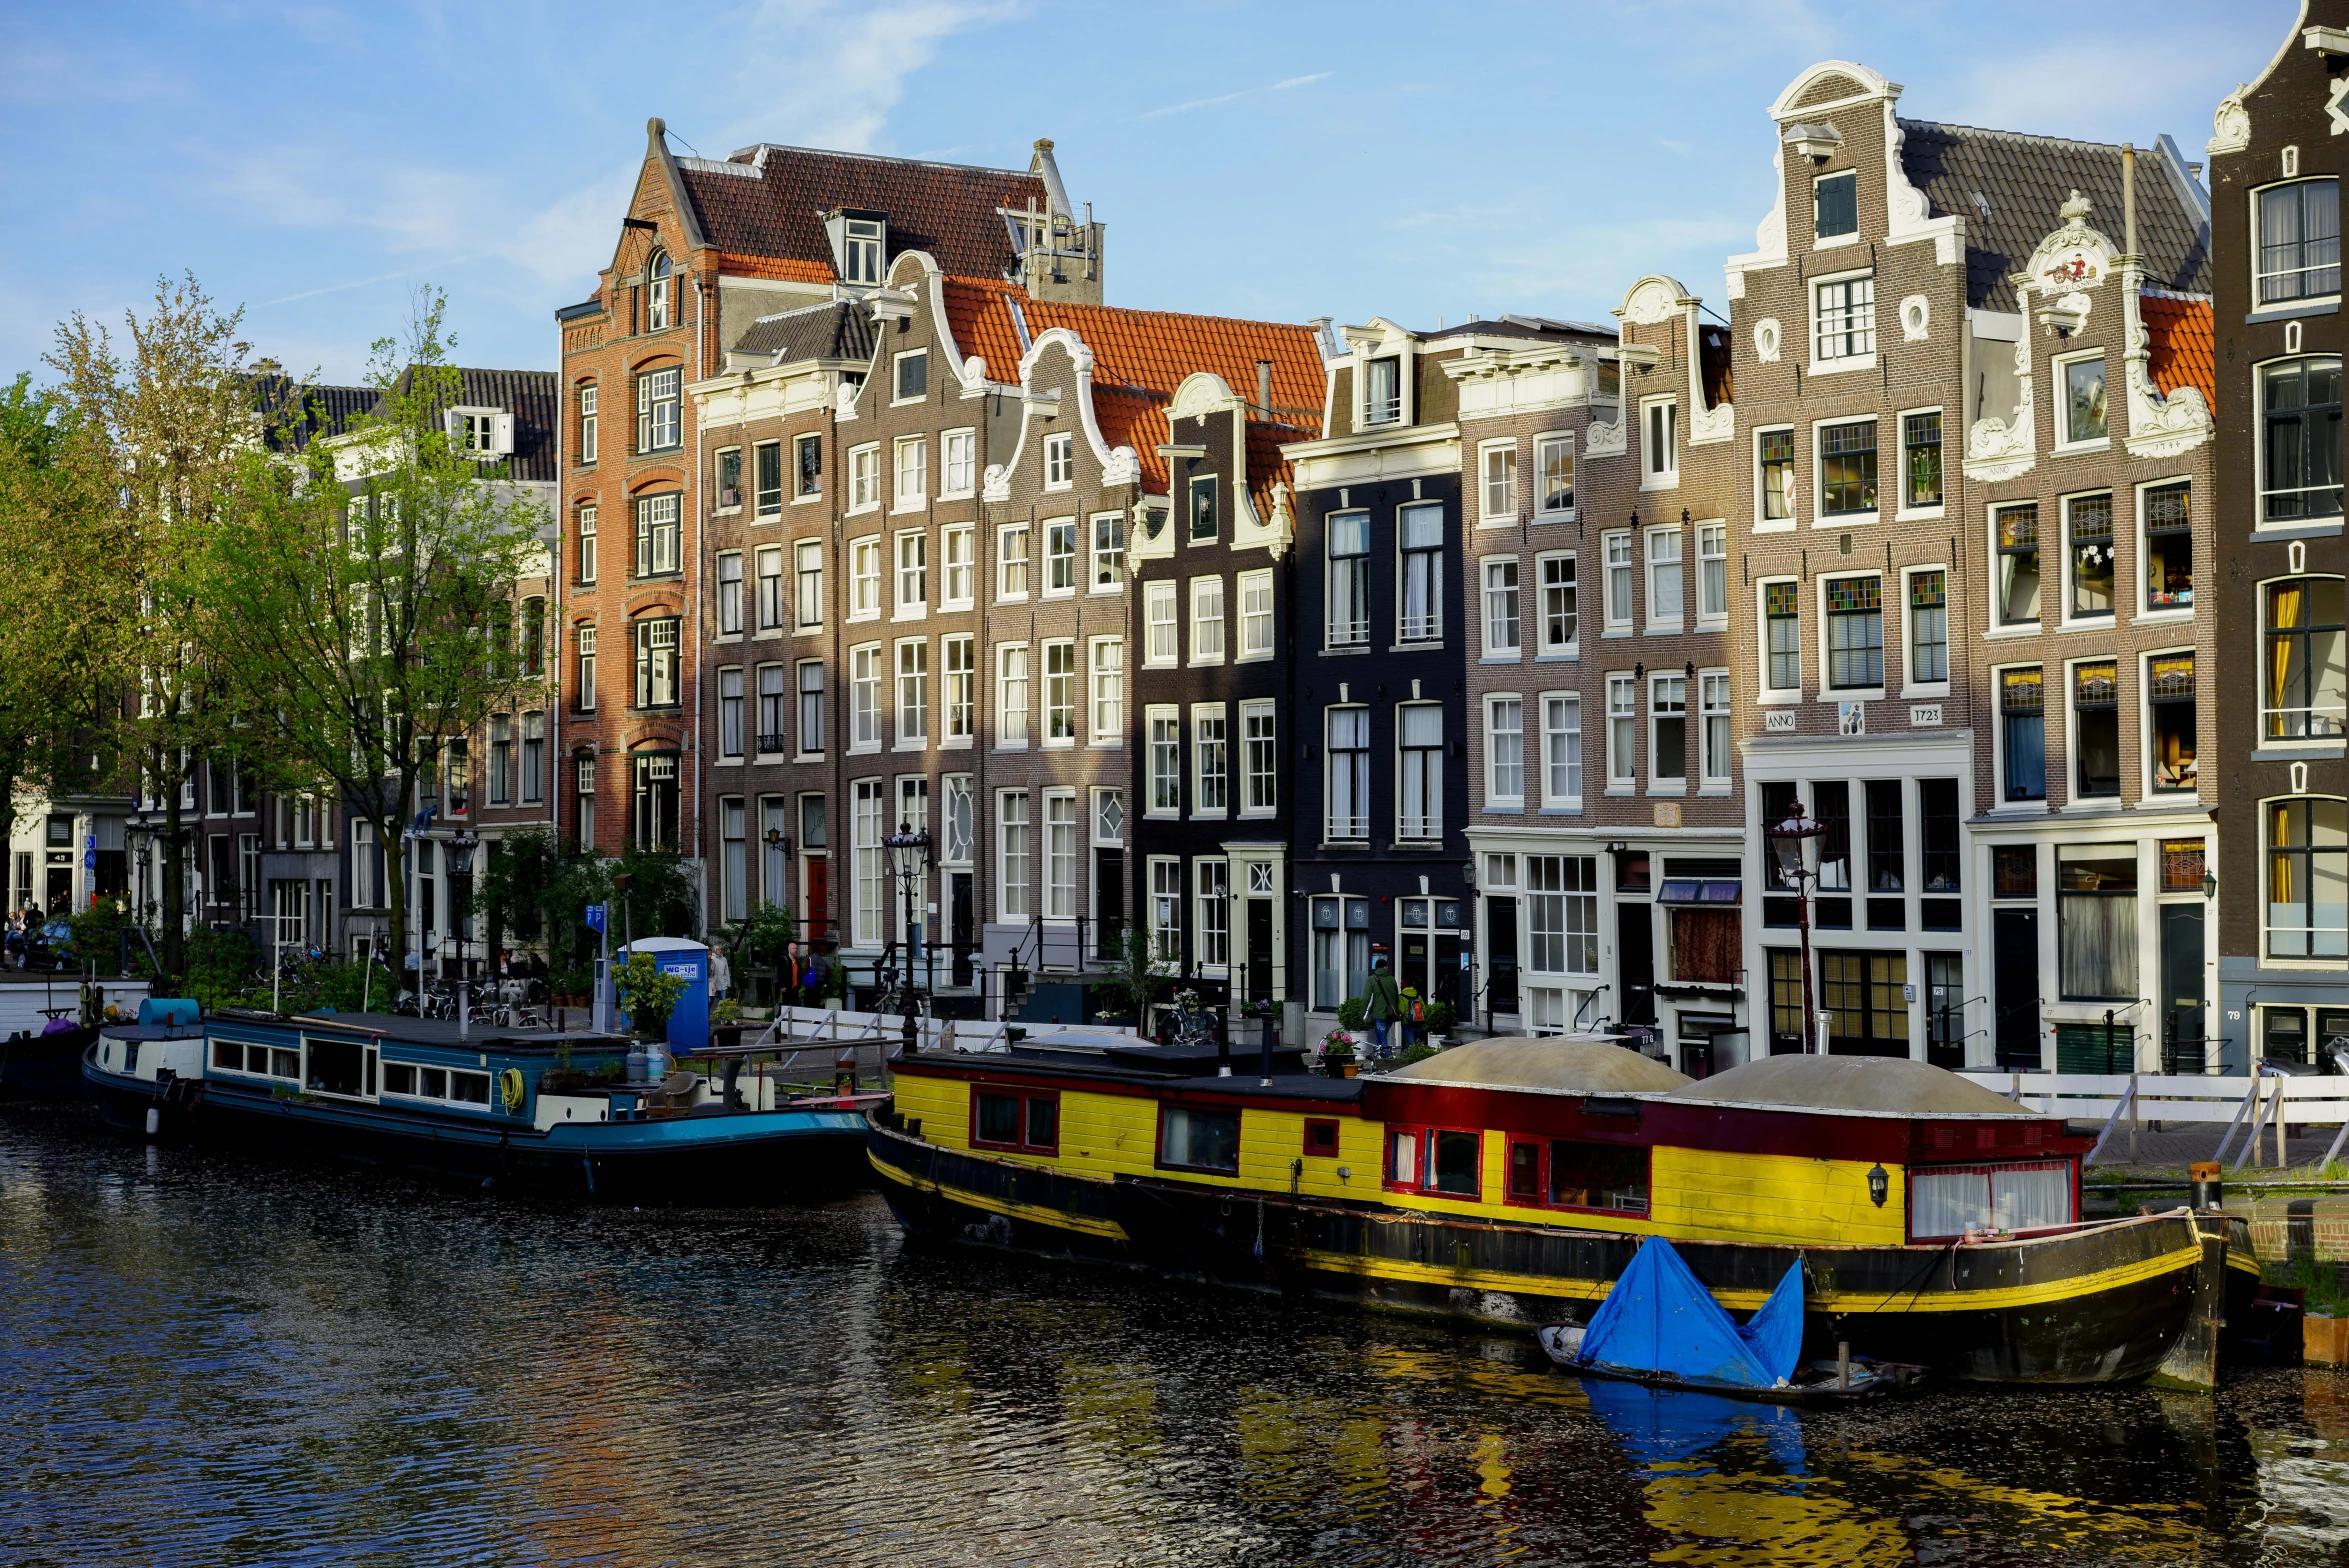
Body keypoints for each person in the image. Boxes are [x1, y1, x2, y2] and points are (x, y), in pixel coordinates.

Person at [1363, 958, 1403, 1059]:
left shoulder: (1371, 979)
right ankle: (1379, 1056)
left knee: (1382, 1038)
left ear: (1376, 967)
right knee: (1382, 1036)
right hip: (1391, 1013)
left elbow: (1366, 997)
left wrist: (1364, 1014)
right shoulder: (1392, 979)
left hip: (1378, 1013)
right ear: (1385, 967)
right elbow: (1396, 996)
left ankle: (1387, 1059)